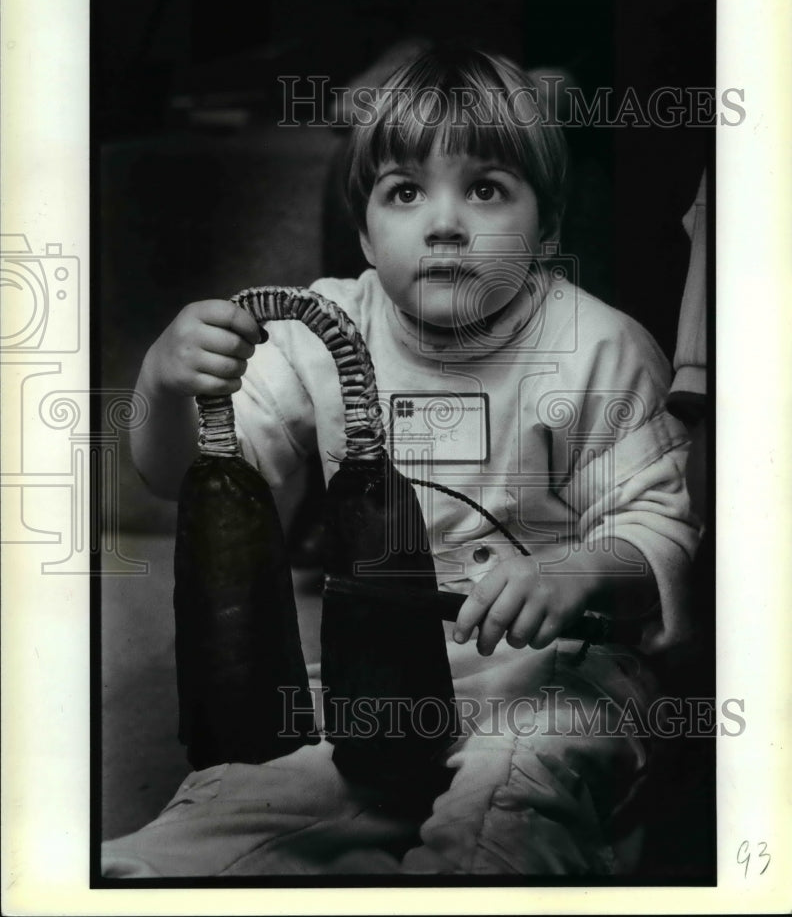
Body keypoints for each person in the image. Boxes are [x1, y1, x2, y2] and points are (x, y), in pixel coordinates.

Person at [104, 46, 701, 876]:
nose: (444, 221)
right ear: (364, 230)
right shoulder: (321, 329)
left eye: (486, 189)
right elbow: (193, 479)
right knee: (241, 800)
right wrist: (165, 385)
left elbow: (661, 525)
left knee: (510, 802)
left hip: (560, 675)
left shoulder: (597, 346)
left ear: (549, 227)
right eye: (405, 192)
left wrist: (580, 570)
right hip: (366, 676)